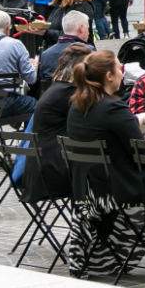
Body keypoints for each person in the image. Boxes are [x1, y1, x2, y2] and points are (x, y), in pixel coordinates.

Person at [62, 50, 145, 278]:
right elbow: (142, 150)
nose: (123, 72)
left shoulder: (76, 105)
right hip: (119, 190)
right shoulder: (113, 107)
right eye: (120, 68)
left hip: (86, 189)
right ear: (109, 76)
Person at [25, 43, 94, 202]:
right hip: (53, 170)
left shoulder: (58, 88)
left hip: (40, 166)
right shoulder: (69, 93)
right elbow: (89, 125)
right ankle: (91, 219)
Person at [35, 11, 93, 92]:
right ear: (82, 28)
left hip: (52, 99)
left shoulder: (45, 54)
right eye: (88, 28)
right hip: (79, 100)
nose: (88, 32)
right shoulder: (89, 52)